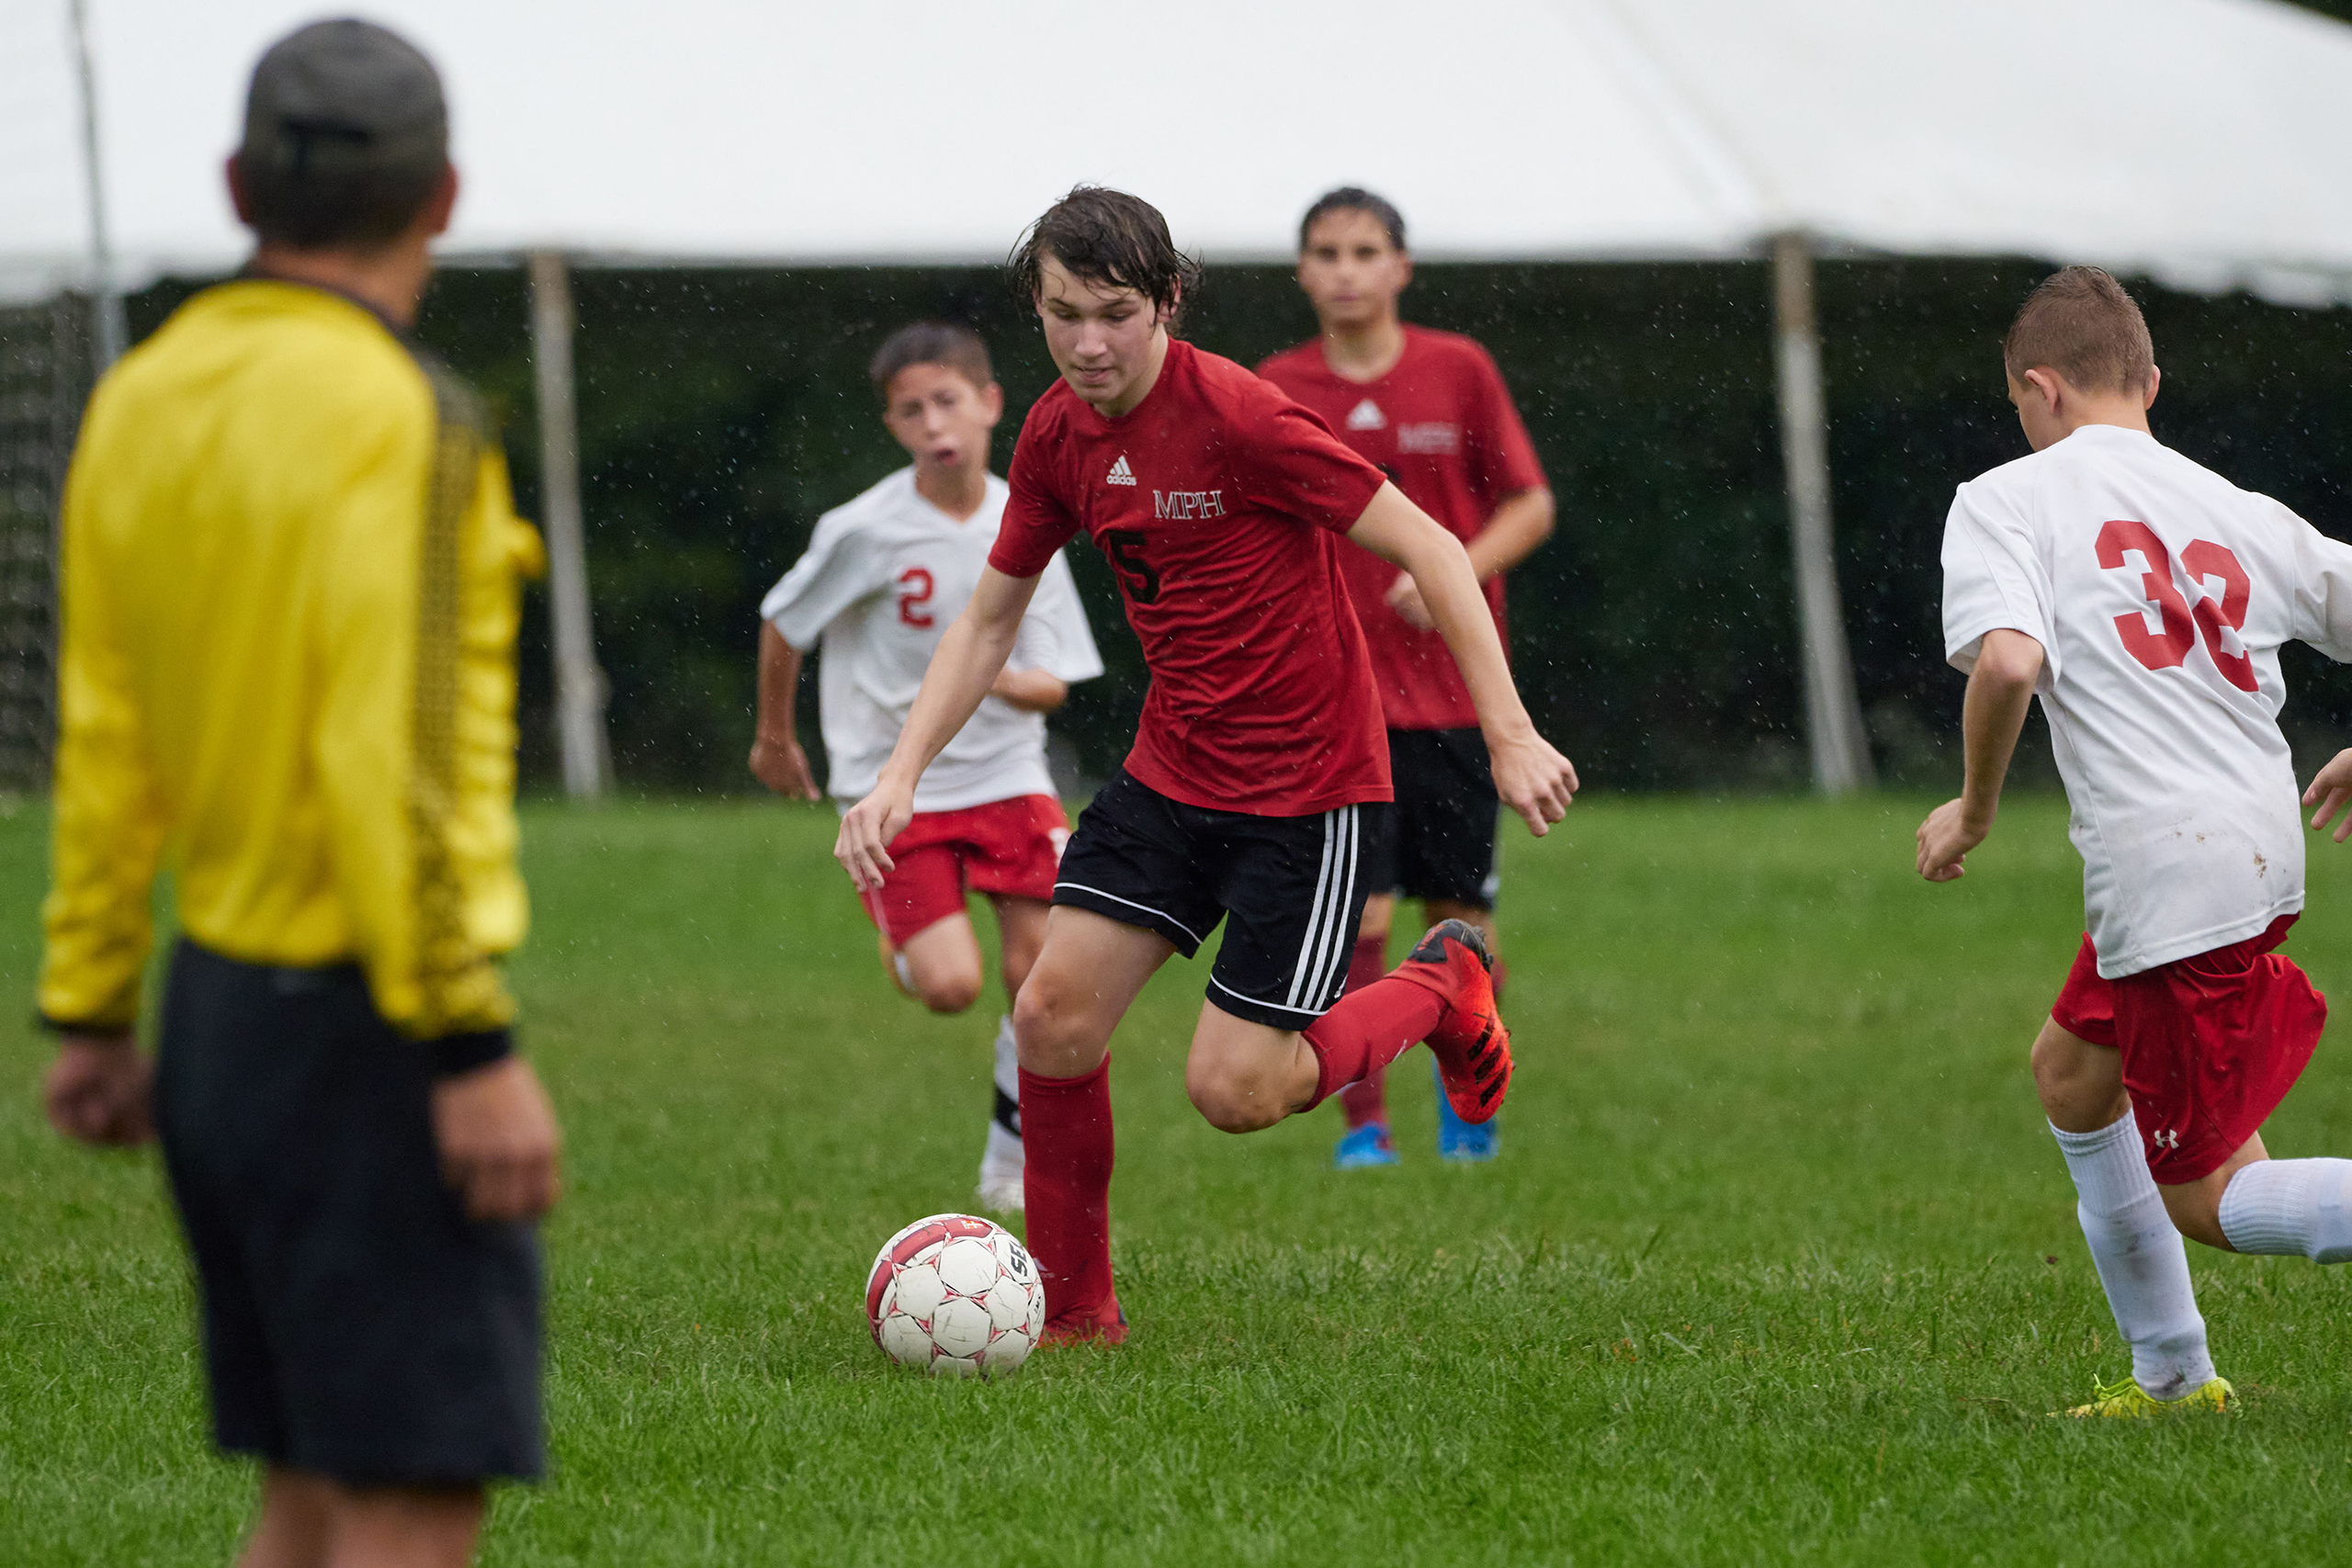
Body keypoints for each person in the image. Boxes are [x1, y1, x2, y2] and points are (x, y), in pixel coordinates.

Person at [834, 186, 1579, 1344]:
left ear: (1168, 301)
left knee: (1234, 1093)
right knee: (1051, 1019)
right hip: (1170, 775)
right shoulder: (1050, 434)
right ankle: (1078, 1319)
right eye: (1062, 314)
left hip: (1309, 794)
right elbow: (987, 621)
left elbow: (1434, 548)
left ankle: (1438, 987)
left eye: (1115, 314)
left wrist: (1509, 731)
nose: (1087, 345)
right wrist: (898, 777)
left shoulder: (1243, 415)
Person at [36, 21, 558, 1564]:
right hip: (372, 1031)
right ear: (444, 195)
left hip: (218, 1025)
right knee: (403, 1493)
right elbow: (393, 756)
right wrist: (467, 1039)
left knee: (312, 1489)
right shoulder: (415, 420)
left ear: (235, 182)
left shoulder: (142, 396)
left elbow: (106, 732)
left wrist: (89, 999)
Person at [1918, 265, 2352, 1418]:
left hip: (2172, 882)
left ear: (2038, 389)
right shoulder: (2231, 503)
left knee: (2207, 1192)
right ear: (2150, 382)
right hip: (2252, 850)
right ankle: (2170, 1377)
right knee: (2071, 1078)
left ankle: (2175, 1371)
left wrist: (1971, 809)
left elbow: (2007, 661)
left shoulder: (2006, 498)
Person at [751, 321, 1103, 1213]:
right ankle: (904, 940)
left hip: (1008, 779)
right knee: (951, 987)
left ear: (990, 404)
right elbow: (784, 622)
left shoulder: (1026, 514)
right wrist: (773, 739)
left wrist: (1011, 683)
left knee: (1044, 980)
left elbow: (1056, 678)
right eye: (911, 410)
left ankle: (1007, 1164)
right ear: (893, 426)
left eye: (948, 400)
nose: (933, 421)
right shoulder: (863, 528)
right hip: (891, 782)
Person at [1259, 187, 1555, 1168]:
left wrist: (1453, 569)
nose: (1344, 269)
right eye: (1325, 252)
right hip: (1334, 705)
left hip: (1455, 702)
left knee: (1458, 920)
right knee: (1360, 920)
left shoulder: (1455, 369)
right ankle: (1364, 1128)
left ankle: (1470, 1108)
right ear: (1301, 271)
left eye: (1363, 251)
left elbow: (1530, 505)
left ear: (1400, 267)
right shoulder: (1275, 385)